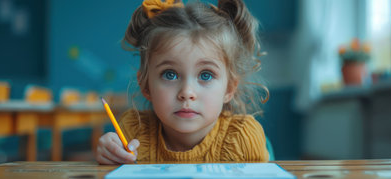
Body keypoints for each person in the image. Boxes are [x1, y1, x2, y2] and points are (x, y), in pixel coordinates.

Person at [96, 0, 270, 164]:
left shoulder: (242, 139)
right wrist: (109, 157)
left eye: (206, 75)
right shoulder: (133, 131)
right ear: (145, 85)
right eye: (170, 74)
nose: (187, 92)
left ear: (229, 89)